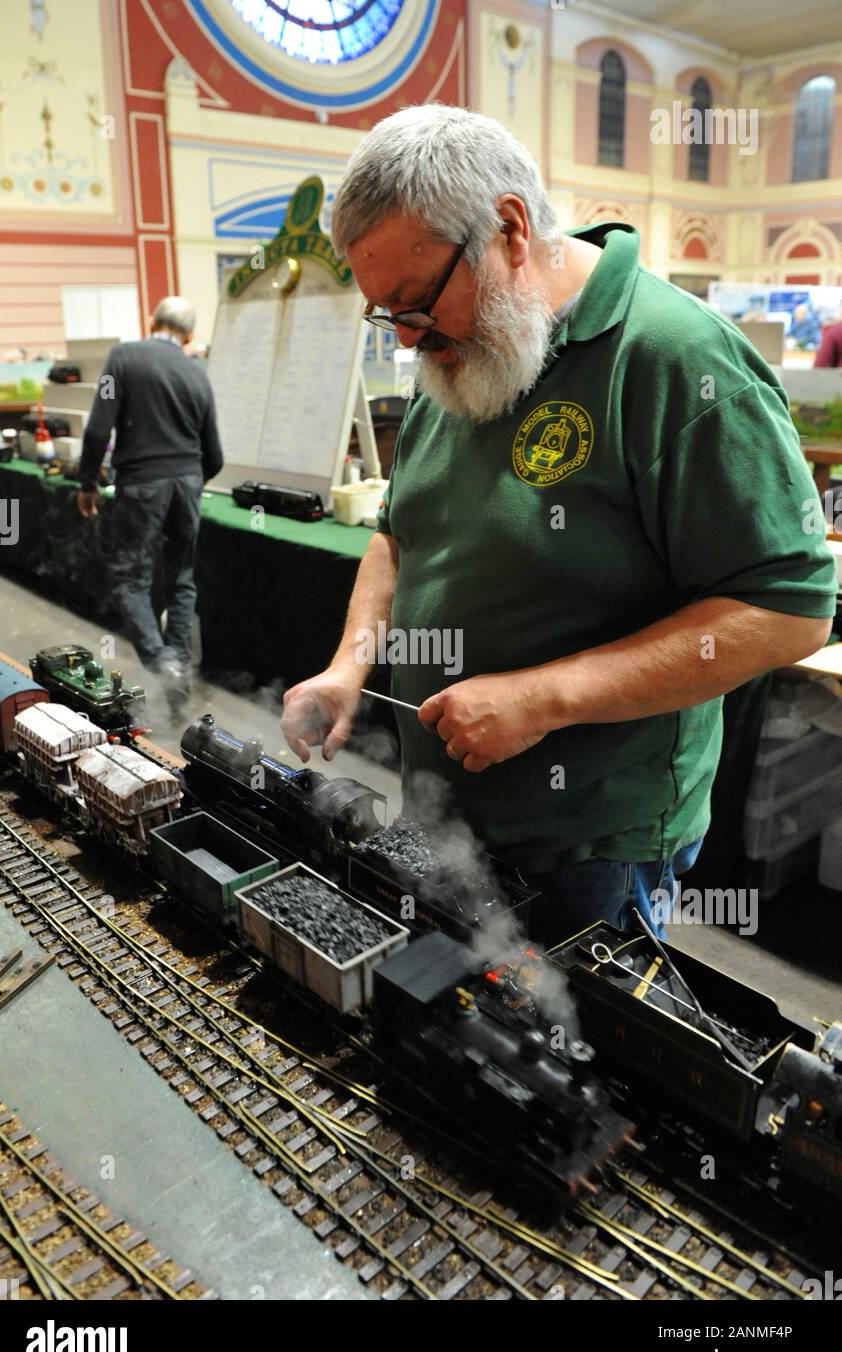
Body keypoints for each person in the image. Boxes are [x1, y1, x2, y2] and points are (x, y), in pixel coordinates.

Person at [280, 106, 837, 943]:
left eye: (416, 304)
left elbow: (791, 610)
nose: (405, 338)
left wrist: (545, 698)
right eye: (383, 313)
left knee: (566, 1063)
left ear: (507, 228)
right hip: (445, 808)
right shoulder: (460, 357)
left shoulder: (679, 360)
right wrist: (347, 667)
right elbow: (399, 533)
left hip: (592, 849)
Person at [77, 296, 223, 713]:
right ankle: (179, 670)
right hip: (189, 483)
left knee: (130, 580)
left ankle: (162, 662)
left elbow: (97, 429)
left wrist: (88, 481)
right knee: (181, 580)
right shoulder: (199, 374)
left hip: (141, 483)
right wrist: (191, 483)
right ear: (191, 335)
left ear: (152, 320)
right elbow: (214, 454)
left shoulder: (123, 358)